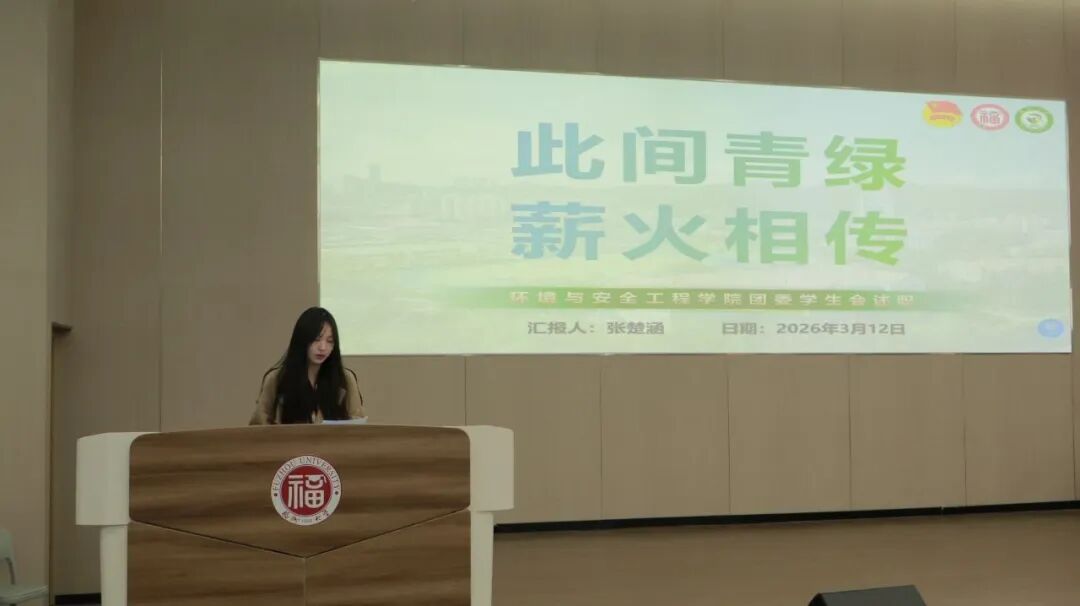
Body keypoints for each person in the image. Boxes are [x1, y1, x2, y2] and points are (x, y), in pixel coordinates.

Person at [249, 306, 365, 424]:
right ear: (302, 339)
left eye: (330, 341)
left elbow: (358, 424)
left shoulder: (345, 379)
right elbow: (259, 426)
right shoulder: (276, 379)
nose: (323, 347)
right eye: (317, 339)